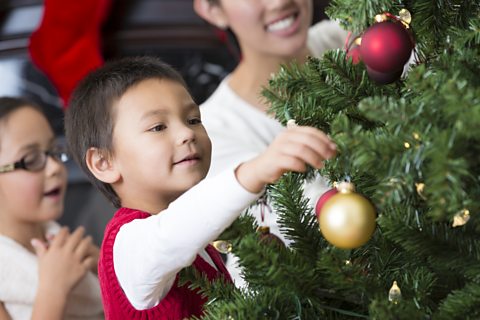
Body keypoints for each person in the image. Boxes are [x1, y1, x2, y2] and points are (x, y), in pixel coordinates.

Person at [64, 56, 336, 319]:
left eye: (193, 120)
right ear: (103, 162)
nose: (186, 134)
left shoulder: (201, 241)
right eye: (158, 127)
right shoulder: (127, 245)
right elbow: (171, 235)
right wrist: (252, 172)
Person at [193, 0, 348, 286]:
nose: (279, 2)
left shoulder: (352, 39)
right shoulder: (209, 136)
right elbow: (336, 223)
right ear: (211, 9)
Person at [0, 97, 103, 320]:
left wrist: (106, 268)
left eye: (54, 152)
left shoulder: (57, 237)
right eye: (31, 159)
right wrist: (53, 291)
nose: (55, 167)